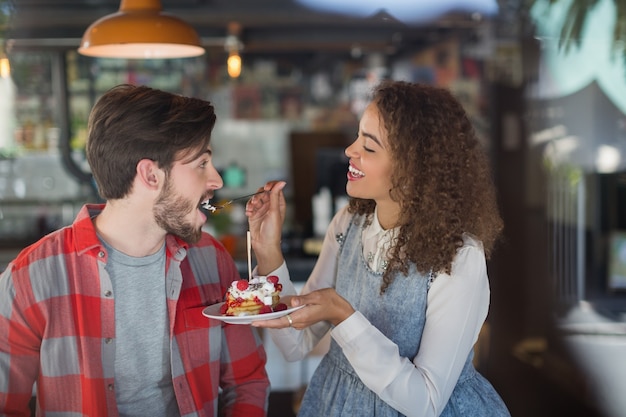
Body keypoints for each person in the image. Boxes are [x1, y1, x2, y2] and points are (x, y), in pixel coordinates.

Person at [0, 84, 270, 416]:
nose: (215, 180)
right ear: (150, 175)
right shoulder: (30, 278)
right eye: (201, 163)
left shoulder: (213, 260)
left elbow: (247, 382)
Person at [245, 80, 510, 416]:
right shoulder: (348, 224)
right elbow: (297, 344)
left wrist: (344, 316)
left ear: (414, 168)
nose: (350, 151)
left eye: (369, 148)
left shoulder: (459, 256)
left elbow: (426, 403)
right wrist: (268, 249)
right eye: (357, 137)